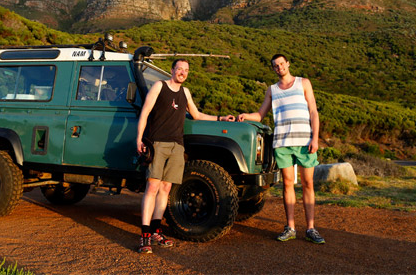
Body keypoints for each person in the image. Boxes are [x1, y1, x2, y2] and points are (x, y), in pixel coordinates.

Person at [136, 58, 235, 254]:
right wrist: (139, 139)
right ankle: (145, 235)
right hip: (157, 143)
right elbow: (145, 112)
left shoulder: (185, 92)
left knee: (165, 188)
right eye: (179, 68)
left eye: (186, 70)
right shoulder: (159, 86)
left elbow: (197, 115)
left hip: (177, 146)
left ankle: (156, 232)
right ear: (172, 70)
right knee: (153, 186)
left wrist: (220, 118)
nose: (182, 72)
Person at [237, 54, 325, 244]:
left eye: (281, 64)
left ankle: (311, 228)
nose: (279, 68)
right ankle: (290, 227)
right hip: (283, 143)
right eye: (275, 66)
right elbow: (261, 115)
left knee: (308, 184)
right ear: (274, 69)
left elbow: (313, 112)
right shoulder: (272, 90)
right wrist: (245, 116)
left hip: (304, 141)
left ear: (287, 64)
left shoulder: (304, 83)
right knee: (287, 184)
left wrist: (315, 138)